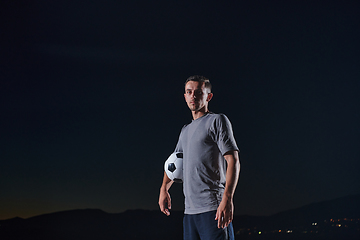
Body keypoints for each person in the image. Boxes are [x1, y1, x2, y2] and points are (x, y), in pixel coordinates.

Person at [158, 75, 240, 240]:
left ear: (208, 96)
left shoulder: (217, 121)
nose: (193, 96)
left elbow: (233, 161)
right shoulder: (185, 130)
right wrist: (164, 188)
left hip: (213, 209)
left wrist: (227, 198)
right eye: (189, 92)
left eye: (198, 92)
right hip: (189, 214)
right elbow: (173, 163)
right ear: (185, 96)